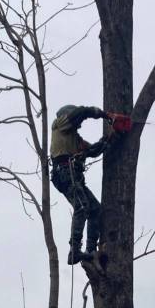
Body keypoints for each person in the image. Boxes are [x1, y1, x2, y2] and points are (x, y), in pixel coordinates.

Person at [50, 104, 111, 265]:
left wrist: (108, 139)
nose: (79, 125)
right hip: (65, 173)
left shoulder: (75, 139)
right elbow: (81, 113)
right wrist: (101, 114)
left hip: (74, 176)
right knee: (82, 207)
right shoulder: (59, 125)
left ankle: (90, 250)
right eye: (76, 122)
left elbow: (91, 151)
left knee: (95, 209)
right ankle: (74, 250)